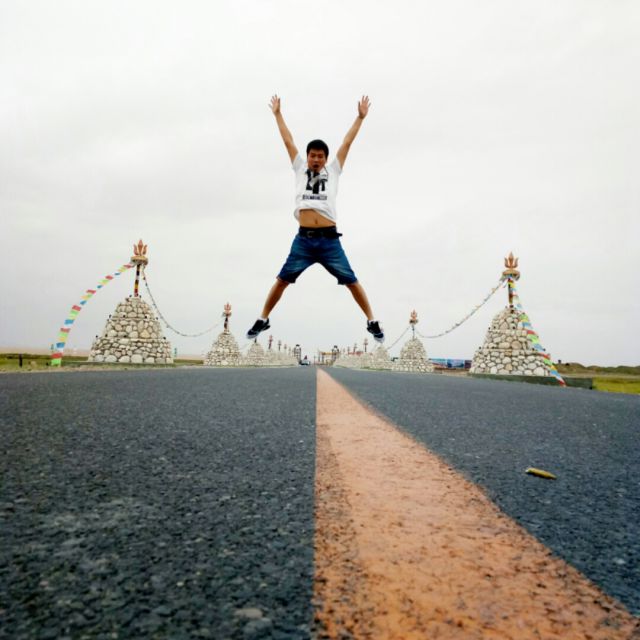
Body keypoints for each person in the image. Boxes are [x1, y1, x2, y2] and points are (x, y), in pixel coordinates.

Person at [246, 95, 384, 343]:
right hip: (304, 241)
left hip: (329, 240)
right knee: (282, 279)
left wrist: (360, 118)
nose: (316, 159)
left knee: (351, 280)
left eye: (321, 156)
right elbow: (287, 140)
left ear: (325, 158)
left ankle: (372, 321)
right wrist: (278, 114)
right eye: (313, 155)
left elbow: (347, 142)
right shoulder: (300, 169)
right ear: (307, 156)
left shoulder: (334, 171)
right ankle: (263, 318)